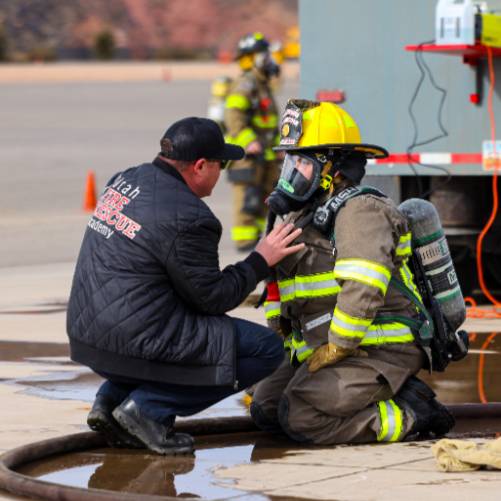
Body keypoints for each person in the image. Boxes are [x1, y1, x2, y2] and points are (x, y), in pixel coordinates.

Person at [66, 117, 305, 455]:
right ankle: (147, 410)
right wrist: (260, 260)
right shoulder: (192, 217)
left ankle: (109, 401)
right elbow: (214, 298)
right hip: (130, 341)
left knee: (154, 320)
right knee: (265, 349)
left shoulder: (125, 181)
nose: (221, 173)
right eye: (220, 164)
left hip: (88, 336)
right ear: (199, 166)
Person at [250, 99, 455, 445]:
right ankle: (363, 393)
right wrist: (281, 338)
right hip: (326, 346)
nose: (291, 173)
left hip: (378, 347)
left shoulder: (361, 211)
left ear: (336, 169)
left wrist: (338, 347)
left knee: (301, 415)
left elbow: (363, 287)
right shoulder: (303, 216)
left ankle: (412, 412)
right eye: (291, 161)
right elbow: (279, 289)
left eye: (303, 163)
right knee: (267, 408)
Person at [224, 32, 281, 252]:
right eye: (263, 55)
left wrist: (278, 149)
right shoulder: (245, 85)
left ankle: (259, 239)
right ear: (252, 58)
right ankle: (245, 242)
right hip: (248, 157)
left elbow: (269, 123)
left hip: (265, 157)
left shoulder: (262, 84)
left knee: (264, 201)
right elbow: (234, 117)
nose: (269, 59)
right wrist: (249, 142)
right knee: (247, 201)